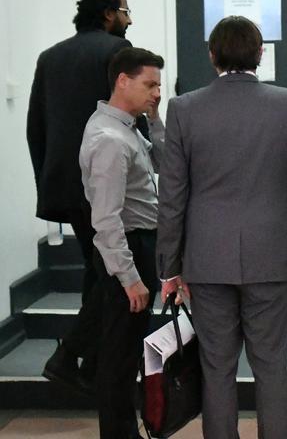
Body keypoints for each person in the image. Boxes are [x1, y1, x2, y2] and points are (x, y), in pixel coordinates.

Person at [156, 15, 287, 439]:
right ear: (260, 54)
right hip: (267, 252)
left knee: (216, 367)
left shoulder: (184, 108)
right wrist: (279, 201)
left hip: (206, 258)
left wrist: (168, 267)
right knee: (271, 365)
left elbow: (172, 196)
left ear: (212, 55)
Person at [43, 47, 165, 439]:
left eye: (159, 86)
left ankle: (68, 360)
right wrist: (129, 277)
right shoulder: (110, 138)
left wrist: (155, 118)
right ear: (122, 81)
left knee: (121, 346)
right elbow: (106, 219)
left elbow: (163, 162)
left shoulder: (127, 128)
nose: (157, 93)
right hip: (127, 247)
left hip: (137, 244)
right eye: (150, 85)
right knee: (120, 355)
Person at [26, 0, 135, 303]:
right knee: (114, 275)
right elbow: (128, 116)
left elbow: (36, 128)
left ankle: (85, 351)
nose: (130, 21)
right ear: (108, 13)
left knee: (98, 267)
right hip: (106, 179)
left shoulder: (50, 57)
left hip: (65, 181)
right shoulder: (118, 51)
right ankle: (78, 350)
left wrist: (47, 180)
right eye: (126, 12)